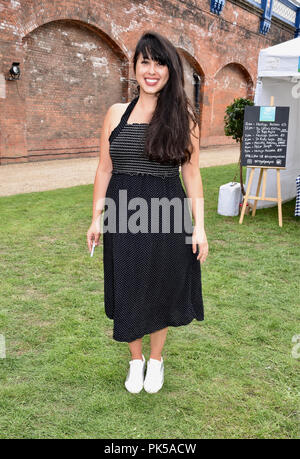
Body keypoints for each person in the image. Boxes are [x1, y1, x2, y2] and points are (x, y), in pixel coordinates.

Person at [87, 31, 209, 394]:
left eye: (159, 63)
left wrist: (199, 226)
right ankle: (135, 360)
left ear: (170, 70)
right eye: (145, 62)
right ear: (135, 67)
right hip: (124, 214)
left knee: (161, 287)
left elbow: (191, 172)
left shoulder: (183, 116)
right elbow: (104, 169)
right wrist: (96, 217)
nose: (151, 70)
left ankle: (156, 362)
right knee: (128, 286)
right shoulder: (115, 113)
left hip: (167, 214)